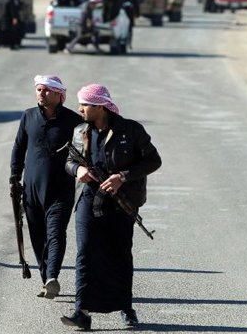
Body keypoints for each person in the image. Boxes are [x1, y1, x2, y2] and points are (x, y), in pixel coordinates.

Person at [61, 84, 162, 330]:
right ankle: (81, 311)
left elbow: (153, 160)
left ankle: (126, 308)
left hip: (121, 202)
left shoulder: (130, 130)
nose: (80, 109)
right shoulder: (80, 130)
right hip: (89, 200)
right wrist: (79, 170)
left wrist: (123, 177)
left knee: (119, 255)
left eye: (84, 105)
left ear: (99, 107)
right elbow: (69, 161)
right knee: (85, 251)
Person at [10, 75, 83, 299]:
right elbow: (18, 148)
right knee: (37, 235)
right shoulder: (28, 117)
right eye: (38, 89)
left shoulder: (73, 121)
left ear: (59, 95)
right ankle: (46, 279)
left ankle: (52, 276)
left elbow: (85, 150)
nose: (41, 93)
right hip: (31, 188)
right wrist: (14, 177)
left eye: (46, 90)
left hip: (61, 189)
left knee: (56, 232)